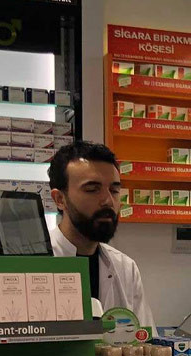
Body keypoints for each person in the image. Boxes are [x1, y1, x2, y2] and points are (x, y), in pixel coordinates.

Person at [47, 141, 155, 332]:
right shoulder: (33, 263)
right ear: (60, 199)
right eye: (92, 189)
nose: (108, 201)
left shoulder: (125, 268)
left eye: (114, 190)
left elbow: (144, 340)